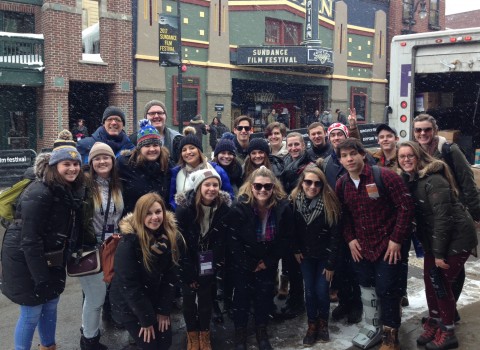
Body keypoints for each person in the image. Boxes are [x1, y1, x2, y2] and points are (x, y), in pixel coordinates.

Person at [1, 130, 85, 350]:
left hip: (51, 258)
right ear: (54, 166)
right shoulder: (39, 192)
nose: (72, 168)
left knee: (51, 305)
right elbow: (29, 240)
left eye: (76, 164)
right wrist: (40, 276)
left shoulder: (69, 190)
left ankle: (48, 346)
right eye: (66, 163)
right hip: (26, 260)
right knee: (31, 312)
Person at [397, 141, 478, 350]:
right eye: (402, 156)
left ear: (418, 156)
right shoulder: (410, 180)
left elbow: (444, 219)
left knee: (440, 283)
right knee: (430, 282)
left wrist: (439, 253)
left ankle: (448, 330)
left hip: (457, 237)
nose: (406, 159)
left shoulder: (433, 180)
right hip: (436, 240)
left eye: (410, 155)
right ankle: (434, 322)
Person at [335, 138, 414, 350]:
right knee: (366, 287)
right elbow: (343, 216)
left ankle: (390, 335)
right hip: (361, 247)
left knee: (387, 289)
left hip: (387, 246)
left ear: (363, 154)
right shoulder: (342, 184)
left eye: (353, 153)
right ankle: (372, 326)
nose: (349, 158)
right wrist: (350, 239)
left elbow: (405, 207)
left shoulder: (384, 176)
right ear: (340, 160)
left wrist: (396, 240)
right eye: (344, 155)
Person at [412, 113, 480, 319]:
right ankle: (445, 313)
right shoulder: (416, 153)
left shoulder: (449, 150)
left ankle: (449, 313)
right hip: (433, 221)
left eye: (427, 129)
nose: (423, 133)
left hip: (453, 215)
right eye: (419, 130)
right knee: (442, 269)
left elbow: (468, 182)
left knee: (451, 270)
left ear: (435, 130)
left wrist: (475, 214)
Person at [224, 166, 293, 350]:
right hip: (244, 258)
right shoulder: (240, 207)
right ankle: (240, 333)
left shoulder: (282, 207)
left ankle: (261, 330)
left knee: (264, 295)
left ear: (273, 187)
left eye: (267, 186)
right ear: (251, 186)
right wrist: (247, 262)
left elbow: (285, 238)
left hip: (267, 257)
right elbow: (233, 239)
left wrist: (268, 261)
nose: (263, 190)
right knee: (242, 296)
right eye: (258, 186)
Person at [109, 193, 182, 350]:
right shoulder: (129, 242)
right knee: (150, 345)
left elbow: (171, 275)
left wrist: (164, 310)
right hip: (130, 304)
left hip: (154, 297)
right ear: (140, 215)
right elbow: (129, 286)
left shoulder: (168, 236)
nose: (154, 217)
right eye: (148, 213)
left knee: (165, 342)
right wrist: (147, 319)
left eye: (158, 212)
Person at [175, 169, 232, 350]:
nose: (212, 189)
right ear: (199, 187)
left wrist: (213, 263)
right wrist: (189, 271)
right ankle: (192, 334)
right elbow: (179, 243)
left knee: (206, 300)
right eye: (207, 184)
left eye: (215, 185)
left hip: (208, 259)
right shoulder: (185, 210)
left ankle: (205, 333)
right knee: (189, 300)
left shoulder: (223, 209)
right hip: (188, 259)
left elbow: (222, 239)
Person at [79, 142, 124, 350]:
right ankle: (89, 340)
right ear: (91, 162)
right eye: (97, 158)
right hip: (92, 247)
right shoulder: (85, 185)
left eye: (106, 157)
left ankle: (88, 330)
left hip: (112, 244)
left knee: (102, 292)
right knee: (95, 297)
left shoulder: (117, 184)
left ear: (112, 161)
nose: (102, 161)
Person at [290, 166, 341, 346]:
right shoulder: (294, 201)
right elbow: (292, 230)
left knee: (321, 290)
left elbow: (336, 236)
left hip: (324, 257)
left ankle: (323, 322)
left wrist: (331, 263)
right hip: (305, 256)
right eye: (308, 182)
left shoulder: (329, 202)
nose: (312, 187)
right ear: (302, 182)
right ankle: (312, 324)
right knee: (309, 291)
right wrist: (295, 249)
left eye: (317, 183)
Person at [169, 127, 234, 210]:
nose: (188, 152)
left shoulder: (216, 169)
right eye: (184, 150)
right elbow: (172, 199)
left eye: (192, 148)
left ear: (199, 150)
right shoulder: (176, 172)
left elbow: (229, 197)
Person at [117, 119, 172, 213]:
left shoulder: (167, 165)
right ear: (139, 148)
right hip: (133, 221)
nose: (152, 149)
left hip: (158, 221)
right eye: (147, 146)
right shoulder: (126, 164)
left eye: (155, 145)